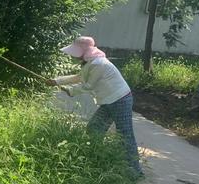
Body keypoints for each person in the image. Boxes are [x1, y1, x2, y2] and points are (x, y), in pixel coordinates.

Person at [48, 35, 143, 176]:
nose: (73, 56)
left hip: (120, 100)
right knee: (94, 128)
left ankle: (135, 172)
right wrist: (56, 81)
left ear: (83, 51)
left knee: (125, 135)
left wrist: (71, 91)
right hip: (109, 100)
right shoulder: (89, 62)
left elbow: (88, 85)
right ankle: (98, 159)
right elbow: (79, 77)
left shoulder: (98, 64)